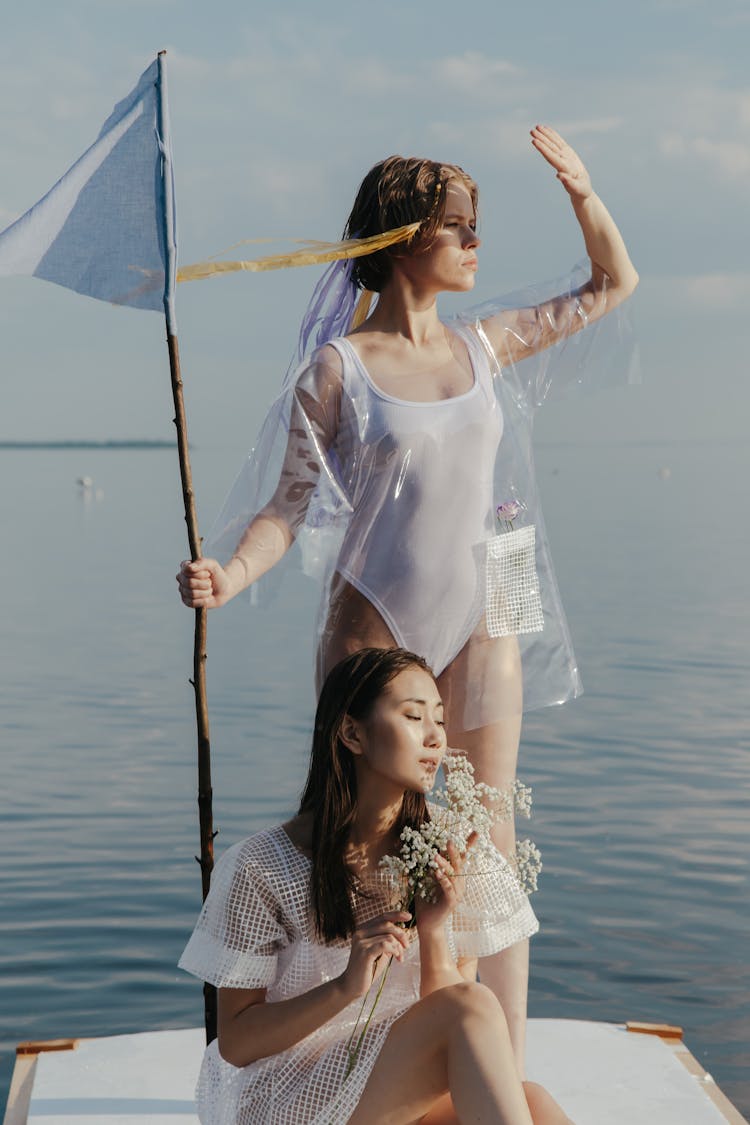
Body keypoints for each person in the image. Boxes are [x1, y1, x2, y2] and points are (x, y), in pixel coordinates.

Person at [177, 125, 639, 1067]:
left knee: (491, 836)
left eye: (478, 221)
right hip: (374, 619)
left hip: (490, 610)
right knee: (369, 834)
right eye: (456, 222)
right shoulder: (337, 370)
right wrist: (230, 573)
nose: (476, 239)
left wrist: (585, 193)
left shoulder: (486, 345)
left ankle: (497, 1056)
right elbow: (286, 507)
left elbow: (610, 286)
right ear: (400, 236)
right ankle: (364, 1047)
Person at [179, 647, 573, 1125]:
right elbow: (237, 1043)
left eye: (442, 721)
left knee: (533, 1103)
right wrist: (346, 986)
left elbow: (456, 1010)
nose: (435, 738)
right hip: (288, 1099)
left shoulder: (445, 845)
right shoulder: (263, 866)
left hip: (386, 1088)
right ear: (351, 732)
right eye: (414, 716)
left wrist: (432, 932)